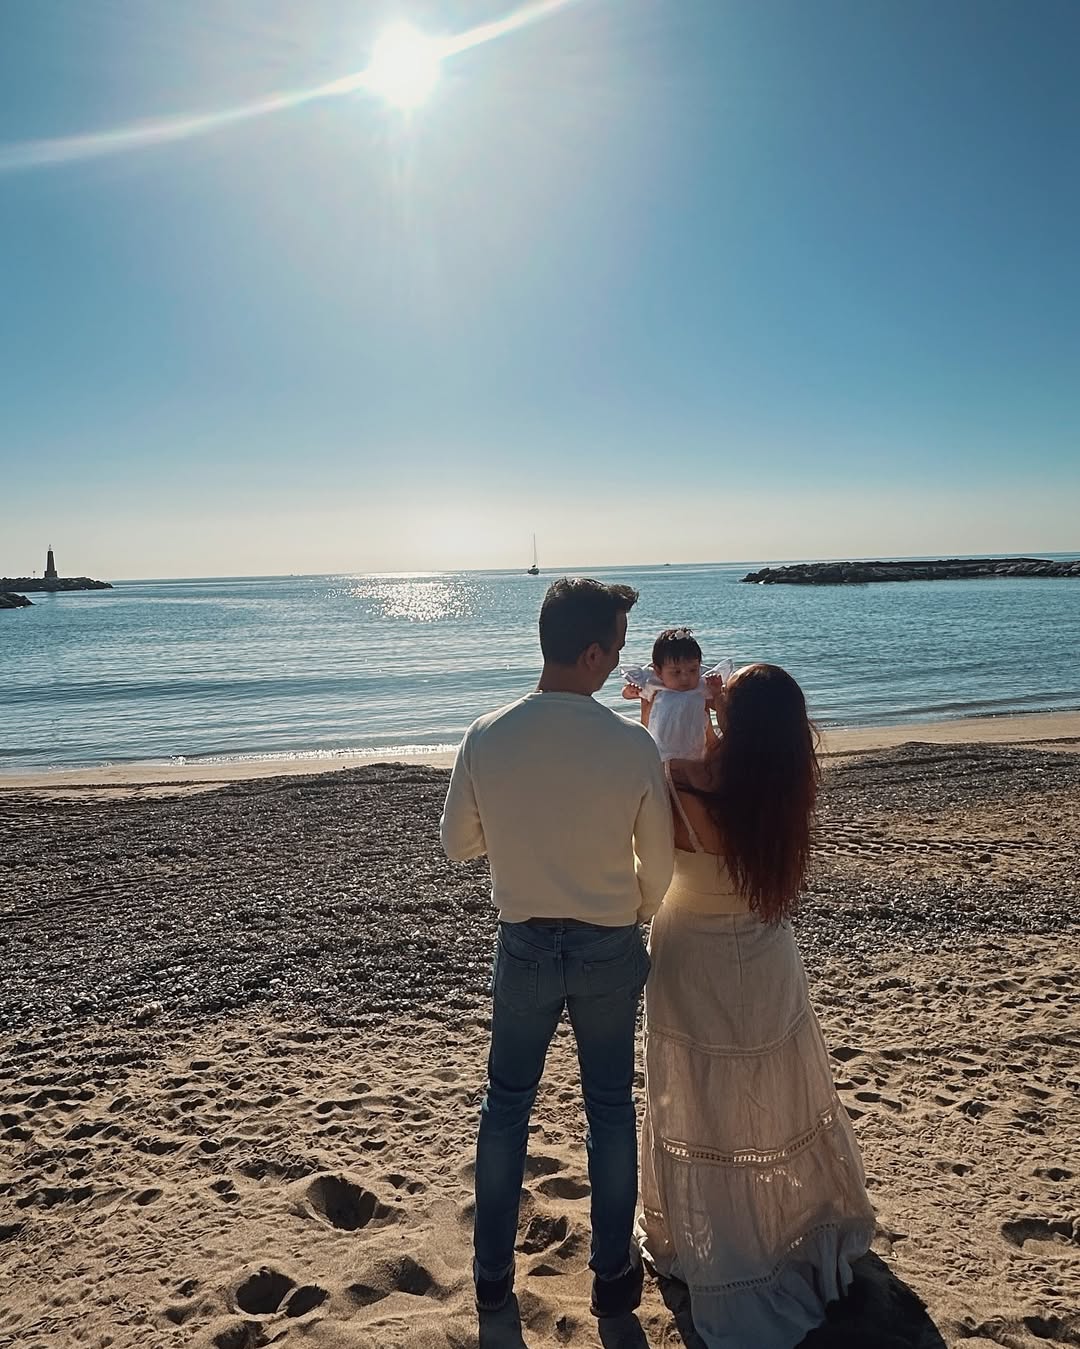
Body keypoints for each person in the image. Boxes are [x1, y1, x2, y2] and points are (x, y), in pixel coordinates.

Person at [441, 577, 675, 1318]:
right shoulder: (630, 745)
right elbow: (661, 868)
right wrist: (628, 905)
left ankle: (490, 1277)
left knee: (506, 1106)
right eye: (616, 648)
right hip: (608, 944)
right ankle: (611, 1280)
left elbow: (456, 844)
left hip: (526, 943)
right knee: (609, 1107)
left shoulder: (489, 732)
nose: (620, 661)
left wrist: (517, 849)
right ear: (591, 652)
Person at [637, 663, 875, 1348]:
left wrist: (694, 710)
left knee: (702, 1097)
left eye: (725, 692)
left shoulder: (678, 777)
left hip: (691, 958)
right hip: (766, 956)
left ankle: (708, 1233)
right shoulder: (784, 784)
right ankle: (785, 1224)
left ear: (730, 718)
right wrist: (723, 707)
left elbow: (646, 865)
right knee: (771, 1087)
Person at [621, 627, 733, 762]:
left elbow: (719, 706)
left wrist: (716, 691)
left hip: (695, 751)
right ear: (658, 671)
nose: (685, 678)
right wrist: (630, 691)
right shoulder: (654, 685)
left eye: (693, 670)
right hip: (661, 750)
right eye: (676, 672)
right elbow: (628, 694)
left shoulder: (700, 687)